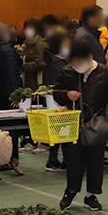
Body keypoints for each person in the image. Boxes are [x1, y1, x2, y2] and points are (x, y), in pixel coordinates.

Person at [52, 43, 108, 211]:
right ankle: (71, 191)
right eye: (74, 62)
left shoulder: (105, 73)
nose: (77, 65)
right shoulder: (67, 72)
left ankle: (92, 195)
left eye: (80, 61)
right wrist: (66, 95)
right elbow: (56, 93)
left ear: (90, 58)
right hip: (74, 122)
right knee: (74, 160)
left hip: (98, 123)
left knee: (96, 161)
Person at [40, 31, 71, 172]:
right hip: (60, 100)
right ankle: (65, 160)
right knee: (63, 130)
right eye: (66, 44)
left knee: (57, 131)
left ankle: (55, 160)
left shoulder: (51, 58)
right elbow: (66, 80)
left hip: (53, 100)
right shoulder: (59, 62)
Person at [20, 18, 47, 88]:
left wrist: (23, 66)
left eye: (30, 27)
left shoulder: (40, 44)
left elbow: (39, 63)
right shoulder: (28, 43)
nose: (27, 30)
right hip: (28, 80)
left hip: (37, 81)